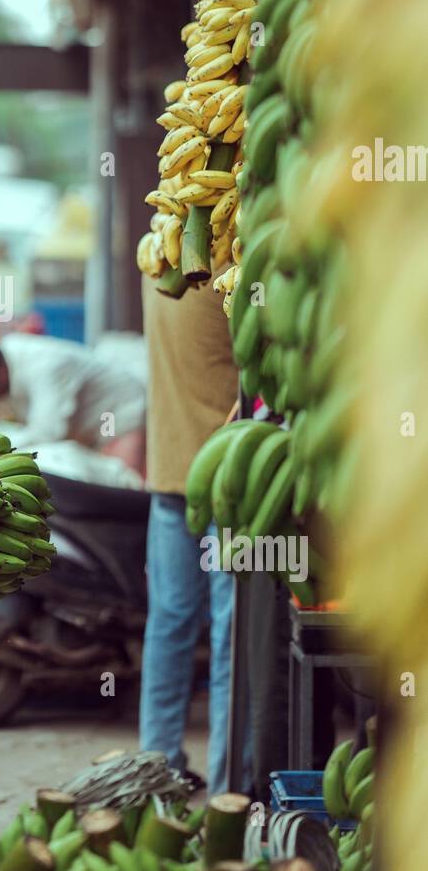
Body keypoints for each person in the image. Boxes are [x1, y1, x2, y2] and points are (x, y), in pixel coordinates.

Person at [139, 272, 248, 797]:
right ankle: (230, 786)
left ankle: (157, 773)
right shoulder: (236, 275)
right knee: (232, 637)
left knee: (170, 625)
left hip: (170, 470)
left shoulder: (156, 261)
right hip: (230, 479)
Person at [0, 331, 147, 472]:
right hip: (83, 427)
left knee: (124, 489)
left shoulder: (46, 366)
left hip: (118, 413)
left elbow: (48, 432)